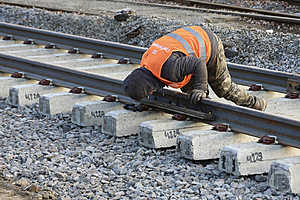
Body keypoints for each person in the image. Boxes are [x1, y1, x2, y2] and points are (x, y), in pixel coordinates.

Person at [123, 25, 267, 111]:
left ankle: (256, 104)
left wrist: (201, 88)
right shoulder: (147, 63)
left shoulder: (170, 69)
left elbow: (198, 64)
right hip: (190, 41)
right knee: (191, 94)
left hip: (209, 44)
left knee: (223, 89)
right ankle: (208, 109)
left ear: (150, 88)